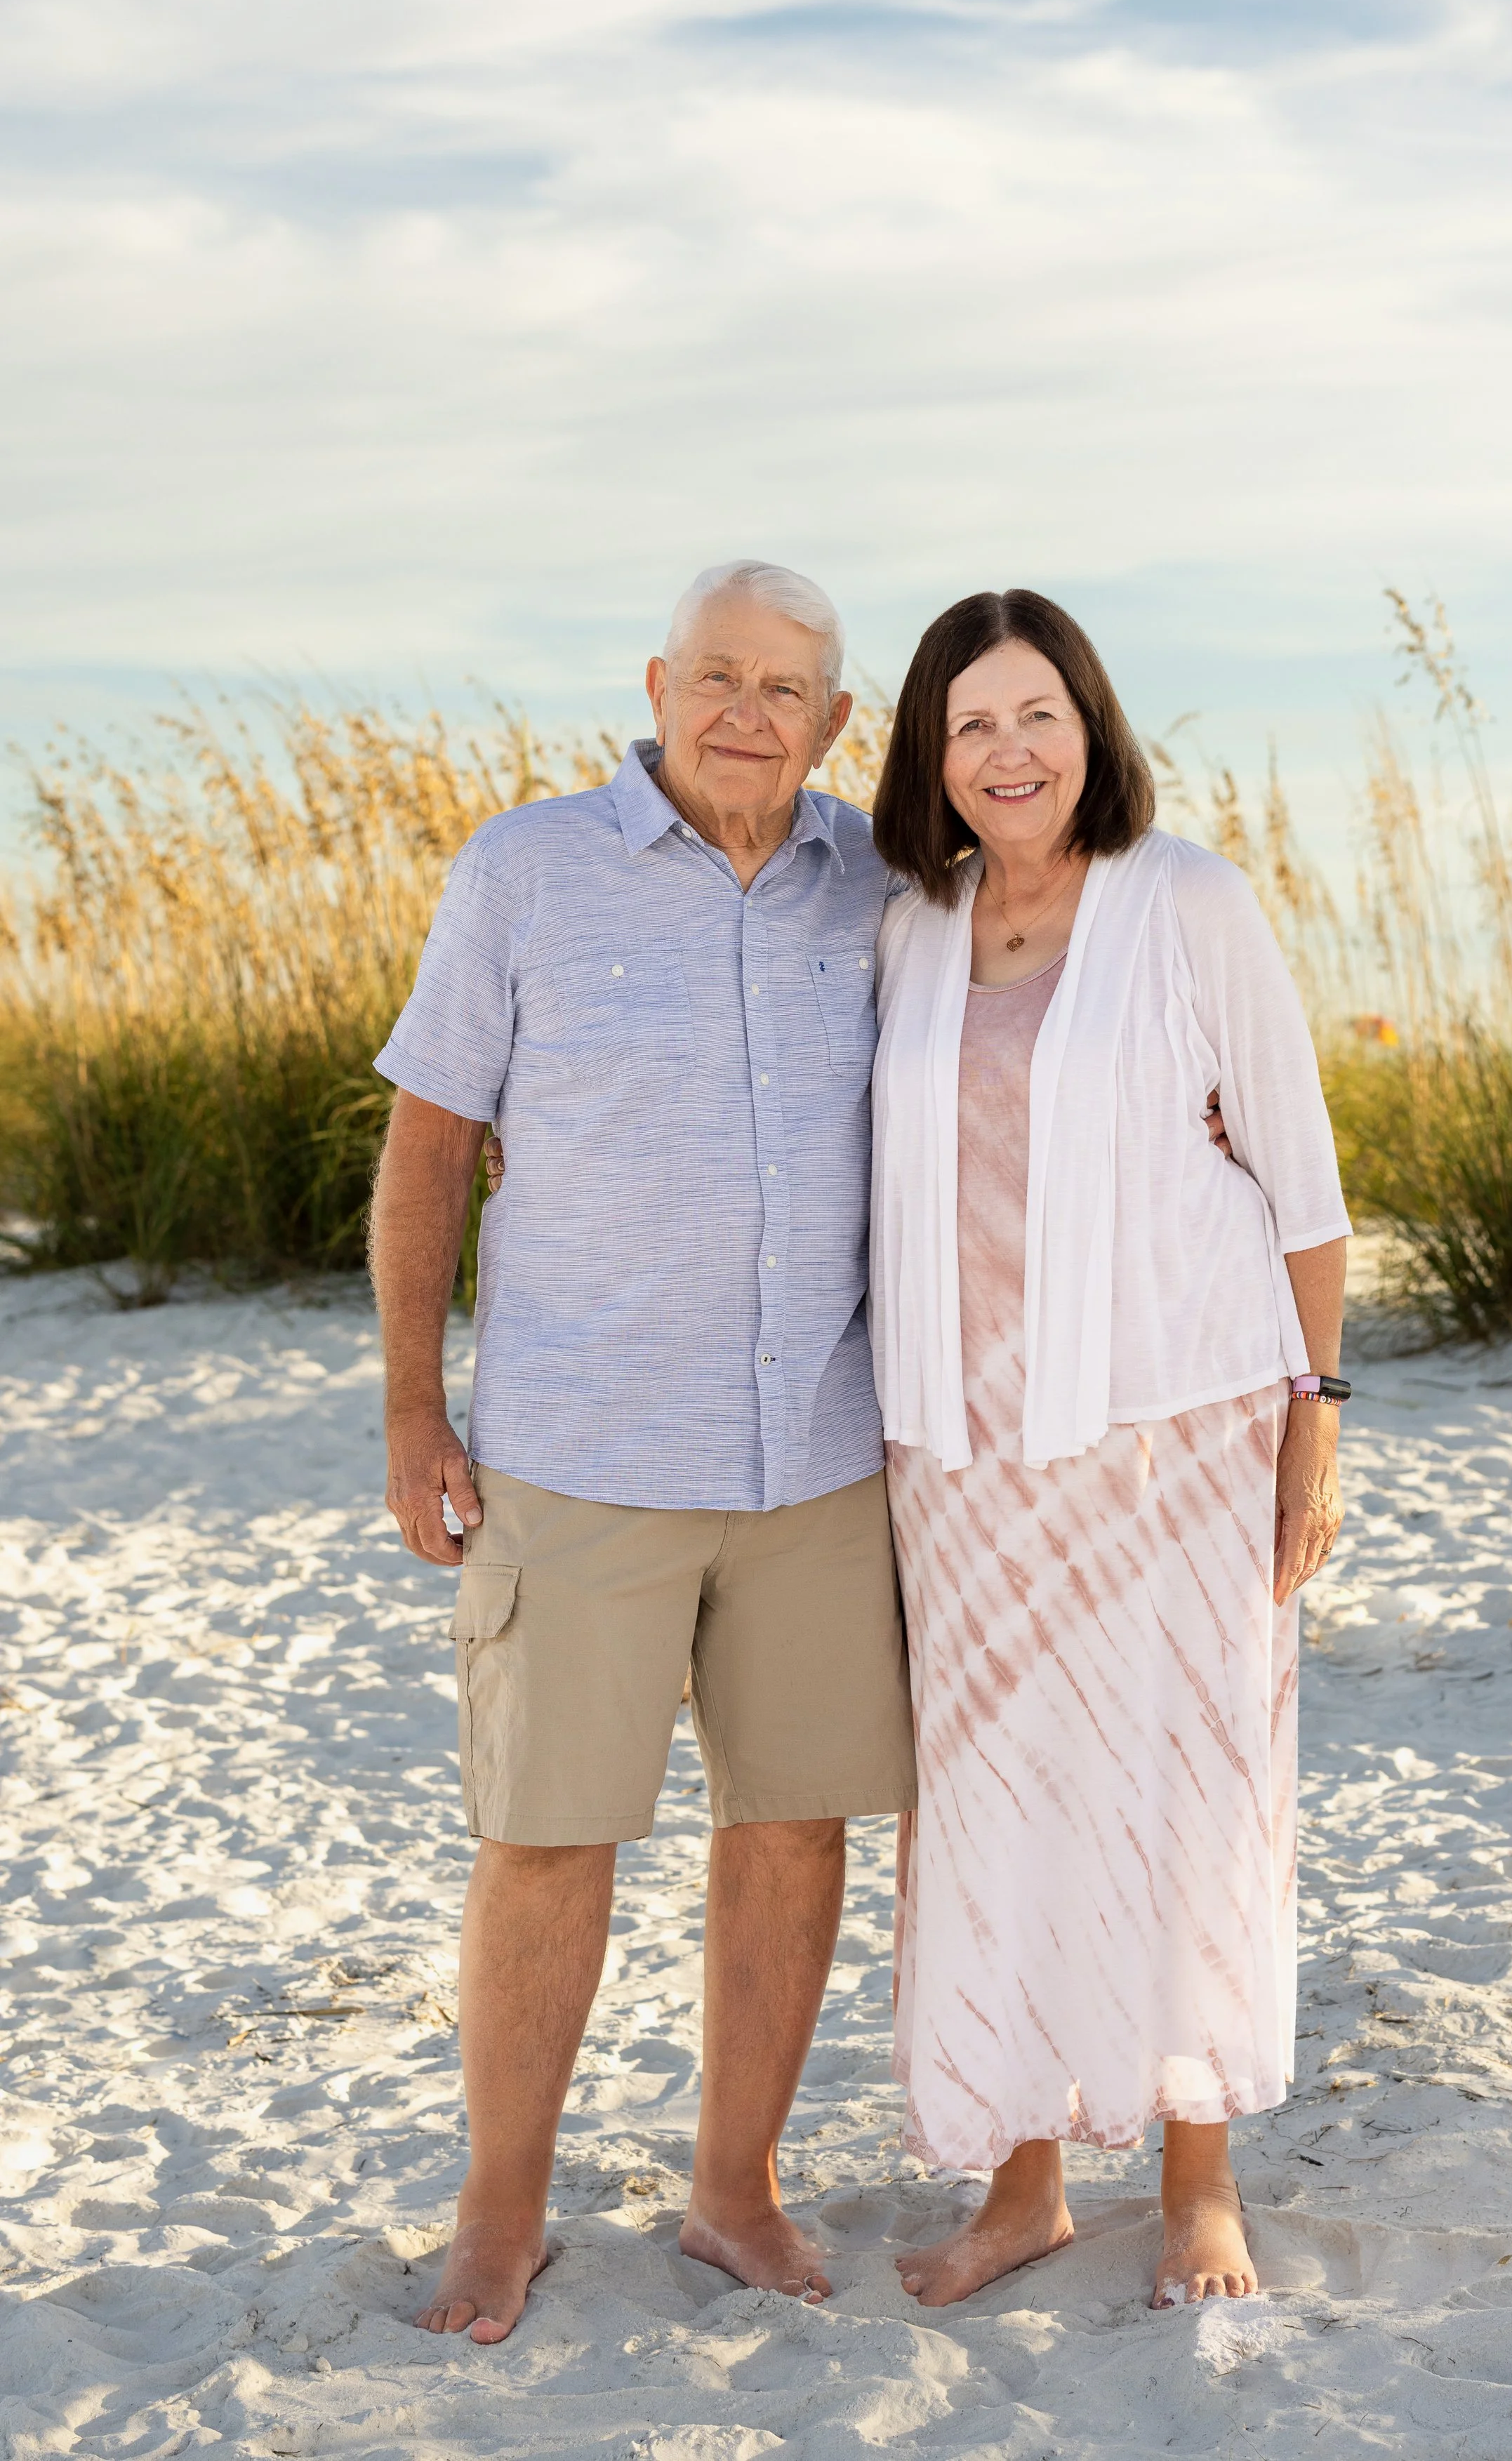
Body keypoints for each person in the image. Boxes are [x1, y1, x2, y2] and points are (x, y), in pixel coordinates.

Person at [368, 559, 917, 2342]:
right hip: (578, 1453)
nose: (744, 711)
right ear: (657, 680)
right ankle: (500, 2212)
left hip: (818, 1457)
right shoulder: (523, 870)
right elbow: (431, 1146)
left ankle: (732, 2185)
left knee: (791, 1825)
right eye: (716, 674)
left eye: (785, 687)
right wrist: (407, 1405)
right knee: (546, 1837)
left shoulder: (886, 890)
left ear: (837, 722)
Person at [867, 588, 1351, 2311]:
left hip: (1177, 1431)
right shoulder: (908, 922)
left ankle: (1196, 2178)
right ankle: (1020, 2185)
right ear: (933, 753)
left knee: (1184, 1791)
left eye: (1037, 715)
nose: (1009, 751)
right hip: (961, 1451)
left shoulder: (1187, 902)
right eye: (972, 724)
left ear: (1092, 728)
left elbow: (1298, 1178)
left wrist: (1318, 1415)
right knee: (991, 1808)